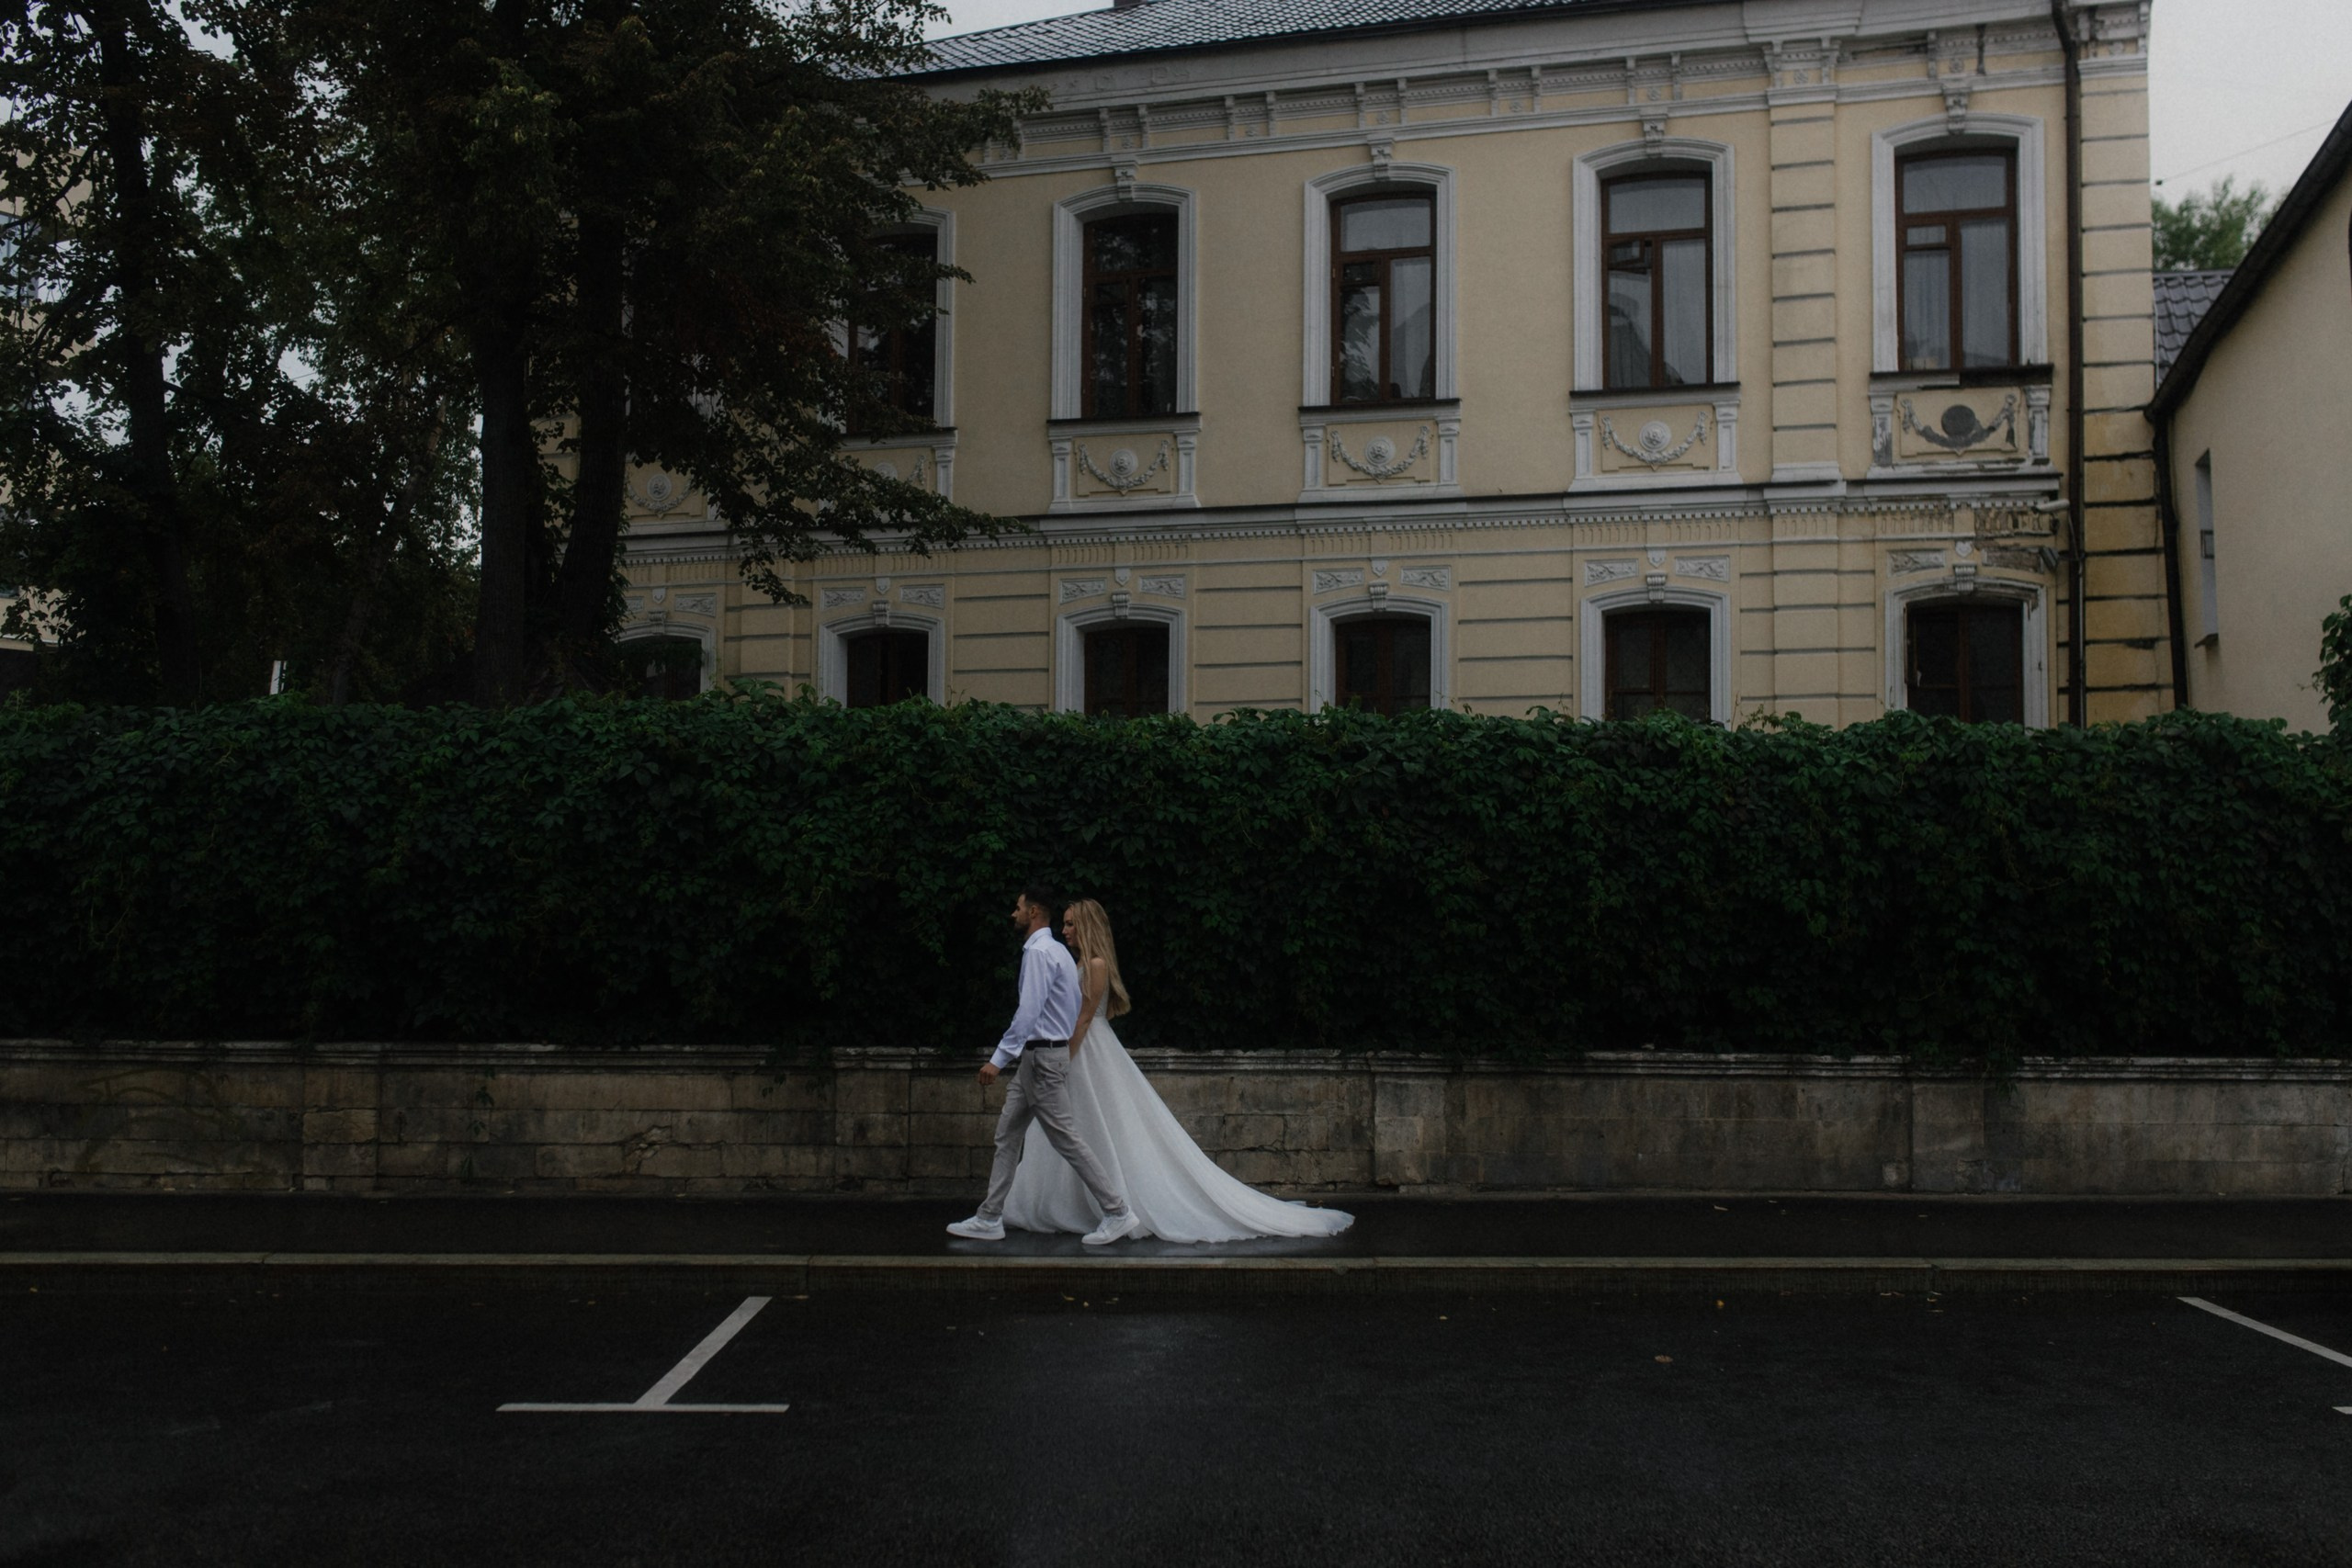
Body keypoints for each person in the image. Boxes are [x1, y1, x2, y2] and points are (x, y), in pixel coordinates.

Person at [997, 897, 1353, 1244]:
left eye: (1072, 923)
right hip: (1073, 1049)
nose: (1066, 929)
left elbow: (1084, 1019)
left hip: (1085, 1051)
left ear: (1088, 926)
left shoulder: (1096, 965)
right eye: (1065, 922)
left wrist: (1064, 1062)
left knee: (1093, 1129)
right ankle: (1080, 1206)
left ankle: (1114, 1208)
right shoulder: (1074, 963)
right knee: (1078, 1131)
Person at [946, 886, 1141, 1246]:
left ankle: (1117, 1211)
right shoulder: (1059, 954)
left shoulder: (1040, 953)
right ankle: (990, 1217)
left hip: (1042, 1058)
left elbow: (1029, 1012)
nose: (1013, 913)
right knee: (1007, 1134)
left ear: (1033, 911)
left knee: (1066, 1139)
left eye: (1017, 907)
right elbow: (1066, 1010)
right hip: (1036, 1058)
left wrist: (997, 1059)